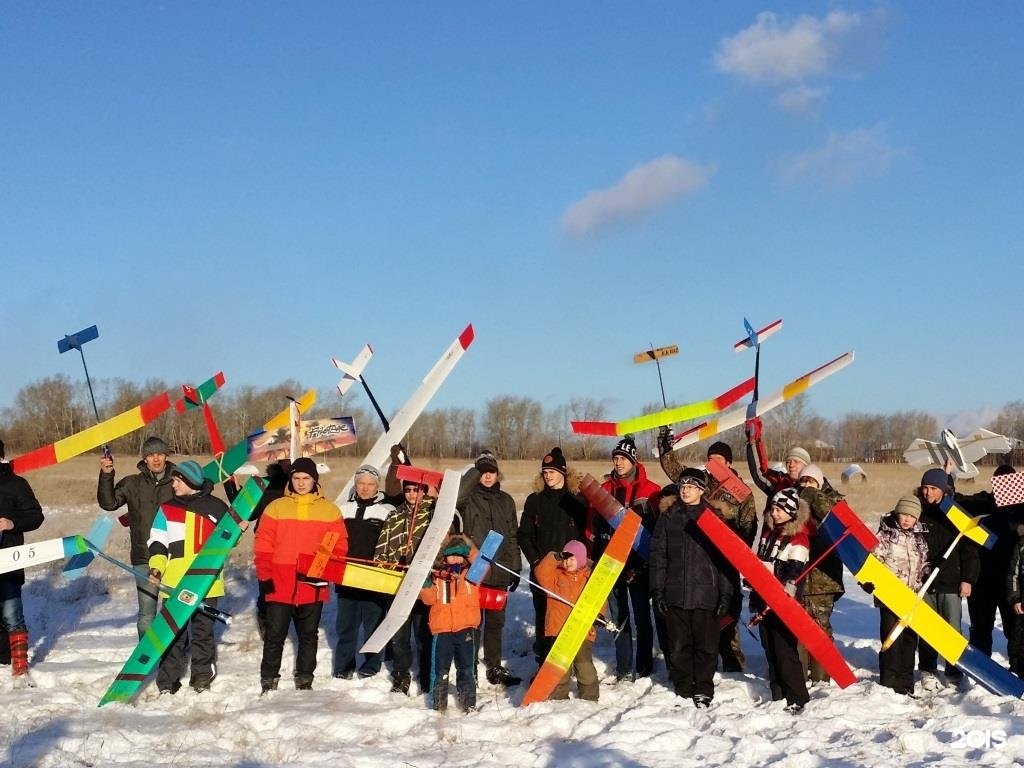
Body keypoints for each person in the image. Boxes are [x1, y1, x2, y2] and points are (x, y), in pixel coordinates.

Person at [662, 437, 756, 673]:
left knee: (729, 611)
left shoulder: (741, 492)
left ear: (729, 463)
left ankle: (733, 662)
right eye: (710, 459)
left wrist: (735, 550)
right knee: (704, 611)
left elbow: (749, 527)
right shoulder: (701, 482)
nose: (713, 464)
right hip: (700, 558)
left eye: (718, 460)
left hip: (726, 560)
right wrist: (666, 448)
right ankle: (704, 660)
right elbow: (677, 472)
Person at [254, 457, 347, 692]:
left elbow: (339, 545)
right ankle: (269, 678)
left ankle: (305, 678)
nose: (301, 483)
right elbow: (263, 544)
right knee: (275, 635)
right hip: (280, 581)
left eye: (306, 478)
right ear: (290, 479)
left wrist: (320, 570)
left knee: (308, 635)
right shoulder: (276, 507)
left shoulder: (329, 510)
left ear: (314, 480)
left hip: (312, 583)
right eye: (296, 478)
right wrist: (266, 576)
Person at [649, 467, 731, 708]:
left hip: (706, 593)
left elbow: (725, 559)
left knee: (706, 646)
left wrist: (726, 592)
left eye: (691, 486)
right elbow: (658, 556)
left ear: (701, 490)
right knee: (677, 646)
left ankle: (704, 688)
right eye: (682, 486)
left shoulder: (714, 517)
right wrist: (658, 590)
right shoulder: (668, 517)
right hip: (675, 592)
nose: (685, 490)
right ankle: (683, 686)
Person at [146, 460, 230, 694]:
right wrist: (156, 568)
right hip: (174, 584)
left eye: (176, 480)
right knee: (172, 636)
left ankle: (202, 676)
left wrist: (239, 526)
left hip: (207, 584)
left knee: (202, 634)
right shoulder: (166, 508)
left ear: (190, 481)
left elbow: (230, 539)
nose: (172, 484)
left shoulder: (217, 508)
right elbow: (158, 542)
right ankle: (167, 682)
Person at [586, 435, 660, 682]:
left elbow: (656, 531)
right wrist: (593, 555)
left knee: (641, 615)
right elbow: (591, 527)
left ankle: (644, 665)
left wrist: (643, 565)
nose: (618, 463)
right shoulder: (604, 490)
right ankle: (624, 665)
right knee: (618, 618)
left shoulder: (650, 491)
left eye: (623, 459)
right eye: (615, 458)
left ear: (633, 461)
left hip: (638, 564)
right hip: (610, 562)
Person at [97, 436, 177, 637]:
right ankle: (146, 660)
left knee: (173, 614)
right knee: (146, 616)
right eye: (150, 455)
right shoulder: (132, 483)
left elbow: (201, 492)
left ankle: (173, 658)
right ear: (145, 459)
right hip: (144, 557)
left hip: (175, 558)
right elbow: (109, 503)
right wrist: (107, 474)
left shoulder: (179, 481)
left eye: (159, 454)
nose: (156, 459)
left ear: (166, 456)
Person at [517, 447, 587, 666]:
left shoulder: (577, 500)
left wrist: (579, 563)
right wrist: (537, 562)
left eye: (553, 471)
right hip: (543, 572)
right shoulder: (534, 500)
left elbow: (585, 535)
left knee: (568, 618)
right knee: (544, 619)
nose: (548, 475)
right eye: (545, 471)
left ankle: (570, 664)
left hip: (570, 571)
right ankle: (544, 663)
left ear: (563, 473)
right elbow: (524, 535)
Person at [458, 450, 522, 687]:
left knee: (496, 622)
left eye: (491, 472)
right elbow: (456, 500)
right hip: (476, 569)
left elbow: (512, 535)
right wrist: (473, 473)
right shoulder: (468, 498)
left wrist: (515, 566)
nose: (487, 476)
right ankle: (470, 665)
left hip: (501, 568)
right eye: (482, 472)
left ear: (498, 474)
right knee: (474, 620)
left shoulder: (506, 500)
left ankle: (494, 666)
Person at [915, 467, 979, 690]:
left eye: (933, 488)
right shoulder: (917, 512)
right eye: (925, 487)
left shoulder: (955, 515)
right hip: (924, 583)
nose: (928, 492)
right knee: (926, 629)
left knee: (952, 630)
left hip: (951, 582)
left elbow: (970, 551)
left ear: (943, 490)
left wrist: (968, 579)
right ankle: (928, 670)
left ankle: (953, 669)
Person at [753, 488, 813, 712]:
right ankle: (777, 693)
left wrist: (778, 577)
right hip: (763, 597)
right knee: (769, 646)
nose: (774, 514)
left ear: (790, 512)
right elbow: (761, 558)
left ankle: (797, 696)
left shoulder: (799, 537)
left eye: (779, 510)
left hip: (783, 602)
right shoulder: (768, 532)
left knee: (784, 649)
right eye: (773, 509)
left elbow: (794, 571)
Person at [334, 464, 395, 679]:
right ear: (355, 484)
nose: (365, 488)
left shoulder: (387, 511)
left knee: (373, 624)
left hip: (374, 579)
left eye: (370, 484)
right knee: (346, 625)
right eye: (361, 483)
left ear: (377, 486)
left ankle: (371, 665)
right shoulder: (341, 508)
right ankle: (343, 667)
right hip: (346, 576)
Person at [376, 476, 434, 694]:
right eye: (408, 490)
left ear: (423, 491)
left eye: (416, 490)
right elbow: (383, 543)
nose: (412, 494)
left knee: (422, 632)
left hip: (422, 583)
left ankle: (427, 674)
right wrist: (384, 566)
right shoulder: (395, 515)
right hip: (397, 581)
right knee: (399, 633)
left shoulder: (432, 515)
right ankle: (401, 674)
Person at [963, 465, 1023, 657]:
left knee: (1015, 630)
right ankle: (980, 673)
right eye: (1001, 483)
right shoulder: (984, 502)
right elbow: (958, 503)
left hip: (1011, 582)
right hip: (982, 580)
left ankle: (1017, 670)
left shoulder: (1022, 509)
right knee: (981, 628)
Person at [795, 463, 846, 684]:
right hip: (799, 574)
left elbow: (832, 520)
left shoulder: (834, 501)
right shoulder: (794, 503)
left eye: (811, 482)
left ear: (820, 482)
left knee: (821, 625)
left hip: (824, 577)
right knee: (801, 626)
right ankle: (803, 670)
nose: (806, 486)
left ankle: (823, 672)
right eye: (802, 481)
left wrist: (812, 494)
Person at [873, 496, 929, 695]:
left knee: (909, 640)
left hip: (912, 597)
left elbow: (923, 562)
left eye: (911, 516)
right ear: (897, 514)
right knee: (891, 638)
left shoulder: (919, 539)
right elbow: (875, 559)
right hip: (890, 595)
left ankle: (906, 680)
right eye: (904, 514)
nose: (907, 519)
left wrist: (927, 571)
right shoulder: (885, 535)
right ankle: (890, 681)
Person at [419, 535, 481, 713]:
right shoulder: (437, 577)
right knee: (440, 670)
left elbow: (482, 561)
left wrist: (468, 548)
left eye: (458, 555)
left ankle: (468, 704)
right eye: (450, 555)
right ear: (443, 557)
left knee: (467, 668)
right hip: (443, 630)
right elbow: (429, 599)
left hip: (466, 629)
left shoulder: (472, 574)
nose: (454, 559)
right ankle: (438, 706)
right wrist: (425, 584)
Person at [534, 539, 600, 701]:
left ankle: (589, 696)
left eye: (572, 558)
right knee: (560, 669)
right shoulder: (554, 576)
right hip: (559, 630)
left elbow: (599, 598)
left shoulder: (589, 578)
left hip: (581, 630)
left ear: (581, 559)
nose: (567, 562)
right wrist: (555, 557)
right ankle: (558, 697)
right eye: (566, 558)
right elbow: (540, 572)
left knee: (584, 666)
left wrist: (599, 614)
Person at [0, 439, 44, 679]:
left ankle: (19, 666)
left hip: (9, 560)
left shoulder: (17, 484)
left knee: (11, 614)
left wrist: (11, 523)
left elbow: (36, 517)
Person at [744, 416, 808, 505]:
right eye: (788, 462)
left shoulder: (816, 485)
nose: (791, 465)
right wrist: (754, 441)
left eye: (796, 462)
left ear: (806, 466)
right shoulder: (780, 481)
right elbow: (760, 472)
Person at [1007, 510, 1024, 677]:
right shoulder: (1020, 545)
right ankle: (1018, 670)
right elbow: (1013, 574)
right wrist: (1015, 598)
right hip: (1022, 602)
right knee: (1018, 640)